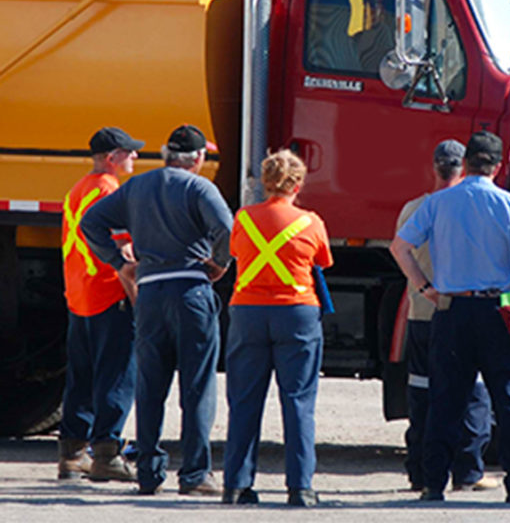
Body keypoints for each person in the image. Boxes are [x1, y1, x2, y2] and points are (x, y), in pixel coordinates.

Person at [389, 131, 510, 504]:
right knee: (509, 403)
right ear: (499, 165)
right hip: (500, 308)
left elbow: (400, 247)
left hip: (452, 310)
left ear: (466, 163)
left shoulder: (438, 203)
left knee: (445, 401)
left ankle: (433, 485)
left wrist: (425, 288)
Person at [81, 124, 233, 497]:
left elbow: (91, 222)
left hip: (148, 294)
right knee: (196, 386)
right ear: (197, 158)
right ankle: (195, 475)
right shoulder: (199, 188)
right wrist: (220, 264)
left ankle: (148, 473)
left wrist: (119, 262)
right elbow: (228, 230)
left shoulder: (137, 186)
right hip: (191, 292)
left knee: (150, 385)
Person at [222, 150, 333, 507]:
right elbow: (323, 260)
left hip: (249, 312)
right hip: (297, 313)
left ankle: (236, 486)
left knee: (243, 401)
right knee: (298, 401)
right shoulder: (311, 221)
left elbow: (236, 252)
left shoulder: (244, 217)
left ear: (266, 182)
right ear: (298, 184)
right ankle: (300, 488)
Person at [396, 140, 497, 493]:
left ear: (434, 167)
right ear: (463, 168)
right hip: (459, 312)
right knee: (472, 393)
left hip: (421, 314)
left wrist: (423, 288)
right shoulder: (468, 207)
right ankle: (468, 470)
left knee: (422, 394)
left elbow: (400, 250)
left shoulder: (413, 208)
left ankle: (421, 471)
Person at [57, 127, 143, 482]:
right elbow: (123, 255)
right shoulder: (110, 192)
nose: (135, 157)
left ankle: (72, 454)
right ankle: (107, 453)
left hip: (79, 293)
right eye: (130, 152)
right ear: (112, 157)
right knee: (117, 373)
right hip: (108, 293)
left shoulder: (78, 189)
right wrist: (136, 296)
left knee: (81, 374)